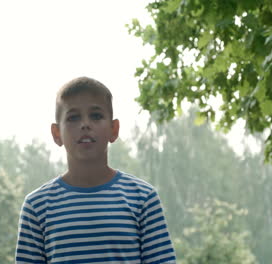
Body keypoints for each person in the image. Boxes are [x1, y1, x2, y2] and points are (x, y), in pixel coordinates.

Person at [15, 76, 177, 263]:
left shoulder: (142, 198)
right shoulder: (37, 206)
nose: (85, 124)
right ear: (56, 133)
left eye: (96, 116)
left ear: (113, 129)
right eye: (73, 117)